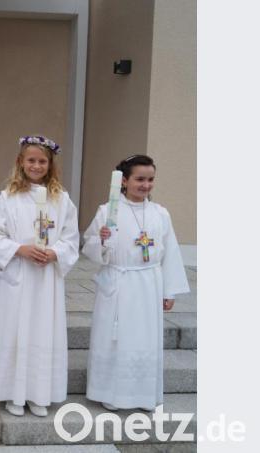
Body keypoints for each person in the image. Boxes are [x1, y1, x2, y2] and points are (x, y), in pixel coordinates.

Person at [82, 155, 189, 412]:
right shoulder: (107, 211)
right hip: (119, 282)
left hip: (149, 284)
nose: (146, 185)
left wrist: (169, 290)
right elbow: (90, 246)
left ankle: (143, 394)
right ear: (124, 181)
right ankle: (111, 393)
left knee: (144, 339)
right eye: (140, 179)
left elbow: (170, 252)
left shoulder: (159, 213)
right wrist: (102, 239)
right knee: (115, 339)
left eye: (150, 179)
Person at [0, 135, 79, 417]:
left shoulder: (62, 200)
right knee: (14, 329)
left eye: (42, 161)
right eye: (31, 160)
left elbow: (71, 238)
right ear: (20, 162)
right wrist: (19, 249)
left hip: (46, 279)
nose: (36, 166)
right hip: (18, 274)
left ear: (50, 165)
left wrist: (56, 252)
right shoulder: (8, 198)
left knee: (43, 332)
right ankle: (13, 392)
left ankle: (39, 393)